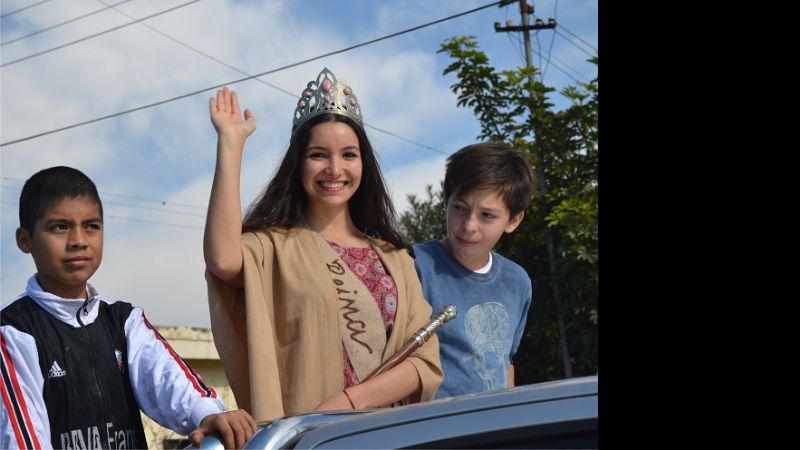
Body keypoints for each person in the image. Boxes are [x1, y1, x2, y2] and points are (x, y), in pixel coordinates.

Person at [204, 67, 442, 422]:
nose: (334, 168)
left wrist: (350, 401)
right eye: (318, 155)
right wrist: (231, 145)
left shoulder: (395, 258)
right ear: (298, 165)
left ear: (364, 163)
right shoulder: (274, 249)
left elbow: (424, 362)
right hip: (309, 439)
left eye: (348, 154)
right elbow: (222, 259)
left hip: (388, 436)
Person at [0, 166, 256, 450]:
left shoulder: (123, 321)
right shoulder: (13, 333)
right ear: (25, 240)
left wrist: (207, 414)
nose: (79, 241)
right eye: (59, 227)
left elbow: (170, 381)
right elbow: (21, 441)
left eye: (91, 226)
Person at [413, 143, 535, 398]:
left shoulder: (517, 281)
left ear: (513, 220)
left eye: (487, 215)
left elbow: (506, 362)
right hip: (428, 430)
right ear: (445, 203)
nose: (469, 226)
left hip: (492, 431)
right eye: (459, 208)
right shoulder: (413, 265)